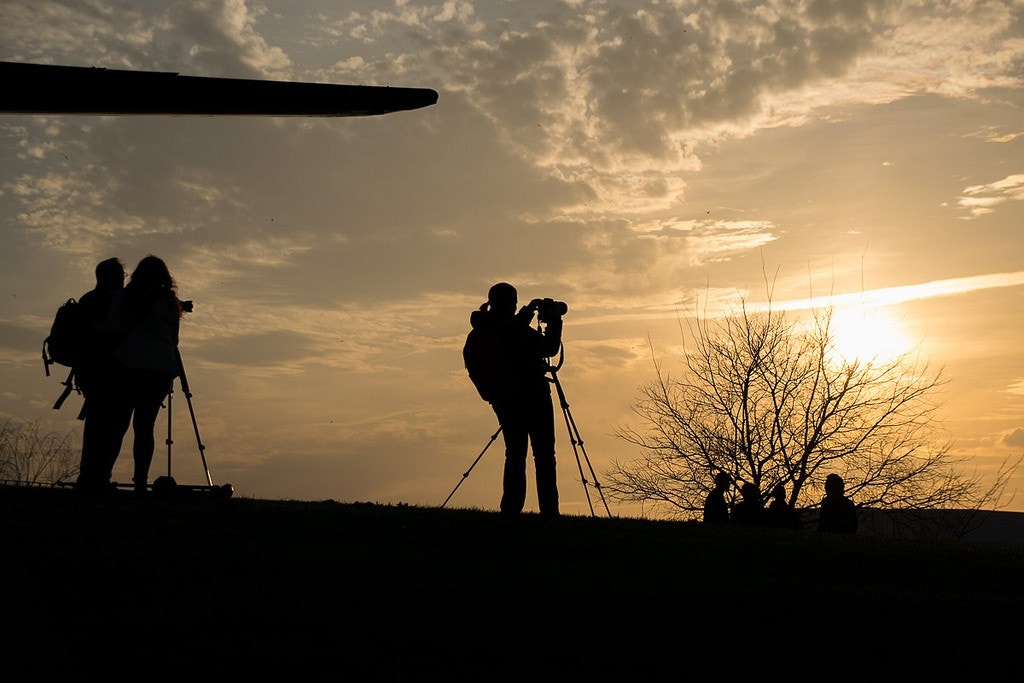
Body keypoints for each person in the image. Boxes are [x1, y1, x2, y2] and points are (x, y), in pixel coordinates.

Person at [463, 282, 563, 516]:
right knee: (544, 455)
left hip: (504, 399)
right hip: (532, 396)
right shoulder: (510, 329)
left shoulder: (481, 329)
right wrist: (555, 322)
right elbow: (548, 348)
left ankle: (511, 510)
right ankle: (549, 512)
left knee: (516, 454)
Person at [105, 255, 184, 494]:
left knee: (118, 425)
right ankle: (140, 481)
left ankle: (103, 476)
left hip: (129, 367)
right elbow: (174, 340)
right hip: (160, 370)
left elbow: (112, 329)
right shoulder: (171, 303)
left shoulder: (125, 297)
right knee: (145, 427)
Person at [74, 258, 126, 493]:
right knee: (105, 428)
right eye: (119, 276)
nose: (122, 280)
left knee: (105, 427)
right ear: (106, 278)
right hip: (102, 372)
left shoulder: (89, 299)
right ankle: (93, 479)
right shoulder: (104, 302)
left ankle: (95, 478)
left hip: (93, 372)